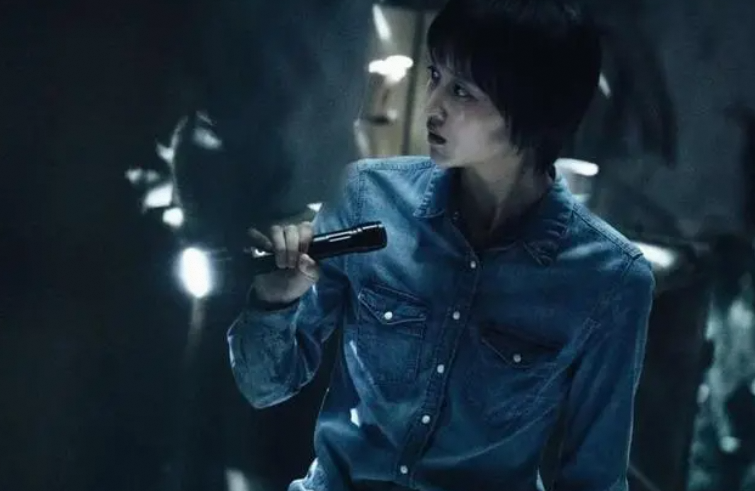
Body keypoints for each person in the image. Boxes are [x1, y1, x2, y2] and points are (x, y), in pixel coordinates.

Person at [227, 0, 656, 490]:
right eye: (435, 76)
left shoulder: (609, 280)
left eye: (461, 90)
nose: (432, 105)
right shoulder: (366, 196)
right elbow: (264, 388)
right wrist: (274, 301)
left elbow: (595, 480)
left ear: (532, 106)